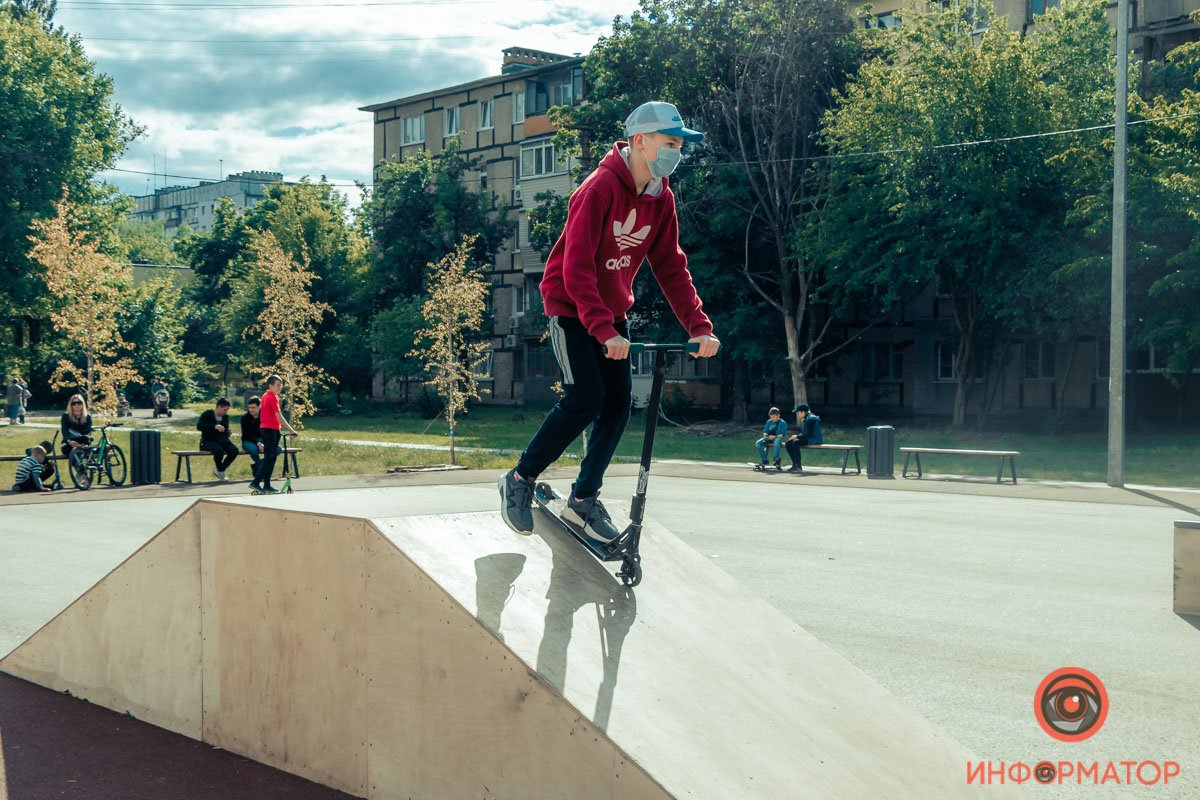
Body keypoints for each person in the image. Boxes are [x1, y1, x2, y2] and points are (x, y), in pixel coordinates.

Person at [498, 100, 721, 542]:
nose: (676, 152)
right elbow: (575, 268)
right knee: (587, 399)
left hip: (611, 314)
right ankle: (520, 479)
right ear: (641, 141)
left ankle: (583, 498)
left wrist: (698, 325)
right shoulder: (598, 189)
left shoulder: (662, 197)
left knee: (619, 405)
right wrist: (601, 329)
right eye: (669, 143)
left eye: (679, 144)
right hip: (569, 307)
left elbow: (671, 266)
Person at [253, 376, 298, 494]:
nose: (280, 387)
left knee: (271, 458)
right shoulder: (271, 397)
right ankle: (256, 482)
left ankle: (267, 485)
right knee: (269, 458)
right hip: (270, 430)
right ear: (270, 386)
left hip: (270, 429)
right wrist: (291, 430)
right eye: (277, 385)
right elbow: (279, 416)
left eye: (281, 385)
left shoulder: (266, 396)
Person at [197, 397, 238, 481]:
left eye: (227, 410)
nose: (226, 412)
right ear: (219, 407)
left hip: (222, 440)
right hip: (208, 441)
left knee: (234, 450)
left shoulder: (225, 417)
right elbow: (199, 426)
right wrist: (214, 426)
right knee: (218, 451)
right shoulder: (207, 414)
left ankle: (220, 469)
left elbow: (225, 430)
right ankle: (221, 472)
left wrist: (227, 432)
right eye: (225, 409)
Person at [240, 395, 280, 470]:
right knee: (254, 450)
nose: (251, 410)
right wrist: (257, 443)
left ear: (260, 406)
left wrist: (264, 442)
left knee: (278, 449)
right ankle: (261, 468)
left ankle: (256, 466)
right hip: (248, 441)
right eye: (249, 407)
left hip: (262, 440)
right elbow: (246, 435)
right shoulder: (245, 418)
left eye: (253, 407)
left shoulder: (265, 416)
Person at [784, 403, 824, 473]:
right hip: (809, 437)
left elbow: (809, 434)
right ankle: (795, 465)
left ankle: (799, 467)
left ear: (803, 412)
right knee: (788, 443)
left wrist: (797, 437)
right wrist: (796, 437)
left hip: (814, 439)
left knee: (795, 443)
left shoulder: (811, 419)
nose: (797, 414)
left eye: (798, 412)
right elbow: (805, 433)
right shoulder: (806, 418)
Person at [60, 394, 93, 459]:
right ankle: (79, 467)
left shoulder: (88, 417)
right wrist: (70, 442)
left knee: (86, 439)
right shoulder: (65, 416)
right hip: (68, 443)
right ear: (71, 405)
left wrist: (80, 445)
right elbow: (64, 432)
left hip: (82, 443)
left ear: (83, 404)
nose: (76, 405)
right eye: (74, 403)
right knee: (70, 452)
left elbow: (88, 433)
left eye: (79, 403)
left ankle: (81, 467)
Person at [755, 407, 788, 471]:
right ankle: (764, 459)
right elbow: (765, 431)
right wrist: (765, 435)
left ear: (778, 416)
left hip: (777, 438)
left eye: (774, 417)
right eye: (771, 417)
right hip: (768, 438)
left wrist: (775, 436)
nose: (772, 419)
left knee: (777, 441)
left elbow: (782, 435)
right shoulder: (769, 422)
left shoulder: (782, 423)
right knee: (758, 443)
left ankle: (776, 459)